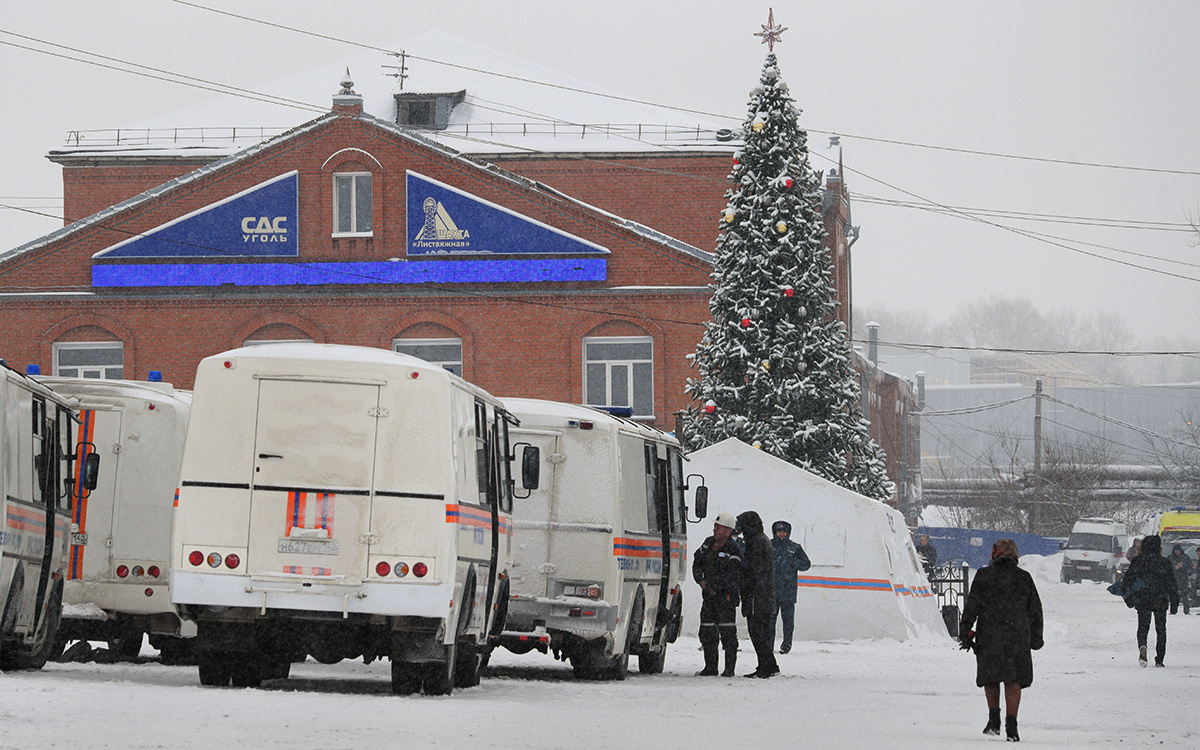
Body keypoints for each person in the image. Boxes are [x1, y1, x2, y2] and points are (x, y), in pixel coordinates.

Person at [959, 538, 1043, 743]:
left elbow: (972, 605)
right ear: (1014, 554)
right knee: (1013, 680)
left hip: (990, 633)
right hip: (1017, 635)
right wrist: (1036, 638)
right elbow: (1035, 610)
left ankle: (993, 720)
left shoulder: (984, 576)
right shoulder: (1024, 578)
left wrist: (965, 630)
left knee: (991, 677)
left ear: (994, 554)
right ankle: (1012, 725)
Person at [692, 511, 743, 677]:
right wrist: (700, 580)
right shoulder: (708, 543)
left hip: (725, 599)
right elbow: (697, 561)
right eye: (715, 526)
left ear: (728, 531)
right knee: (707, 632)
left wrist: (718, 587)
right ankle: (710, 667)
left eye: (718, 527)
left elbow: (733, 574)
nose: (714, 530)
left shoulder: (733, 550)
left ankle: (729, 670)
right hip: (708, 598)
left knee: (728, 635)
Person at [1120, 535, 1178, 668]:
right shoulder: (1164, 562)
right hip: (1160, 599)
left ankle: (1142, 646)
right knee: (1161, 629)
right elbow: (1172, 584)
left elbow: (1128, 580)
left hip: (1143, 598)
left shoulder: (1138, 561)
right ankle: (1159, 659)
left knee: (1143, 627)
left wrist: (1128, 597)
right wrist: (1174, 602)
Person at [736, 510, 778, 678]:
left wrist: (741, 575)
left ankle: (766, 665)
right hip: (764, 594)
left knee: (757, 632)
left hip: (757, 595)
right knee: (762, 632)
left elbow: (752, 569)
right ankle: (768, 664)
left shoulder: (756, 542)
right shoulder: (761, 540)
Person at [771, 520, 811, 654]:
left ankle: (786, 645)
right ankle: (768, 644)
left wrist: (794, 563)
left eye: (784, 532)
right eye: (779, 531)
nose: (781, 534)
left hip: (788, 591)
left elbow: (806, 564)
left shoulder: (795, 548)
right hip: (772, 590)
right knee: (770, 620)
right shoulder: (769, 546)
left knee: (788, 621)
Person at [1168, 544, 1194, 615]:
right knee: (1173, 596)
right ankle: (1173, 610)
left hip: (1183, 579)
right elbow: (1166, 568)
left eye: (1179, 550)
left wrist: (1183, 567)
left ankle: (1186, 610)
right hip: (1173, 579)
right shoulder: (1170, 558)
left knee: (1185, 595)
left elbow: (1191, 569)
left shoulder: (1186, 558)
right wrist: (1175, 568)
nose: (1177, 552)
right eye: (1176, 550)